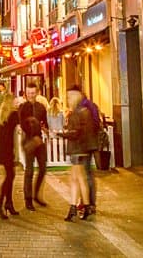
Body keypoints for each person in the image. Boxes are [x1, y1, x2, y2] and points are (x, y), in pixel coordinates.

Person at [61, 89, 98, 221]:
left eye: (68, 97)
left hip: (76, 150)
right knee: (79, 179)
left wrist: (61, 133)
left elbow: (75, 133)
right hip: (84, 149)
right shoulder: (86, 111)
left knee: (76, 180)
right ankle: (82, 207)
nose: (67, 99)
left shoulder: (75, 114)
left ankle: (75, 208)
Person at [18, 82, 49, 210]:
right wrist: (32, 136)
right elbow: (22, 125)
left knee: (42, 168)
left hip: (39, 141)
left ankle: (36, 195)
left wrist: (45, 129)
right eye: (29, 93)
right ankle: (28, 199)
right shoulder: (23, 107)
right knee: (29, 171)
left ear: (37, 93)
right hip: (28, 141)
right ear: (26, 94)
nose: (31, 95)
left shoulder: (41, 107)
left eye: (33, 93)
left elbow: (45, 122)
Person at [74, 85, 104, 217]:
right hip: (90, 143)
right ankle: (88, 202)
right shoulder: (92, 105)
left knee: (86, 175)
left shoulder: (84, 107)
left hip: (85, 144)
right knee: (87, 174)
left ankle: (89, 204)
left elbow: (90, 125)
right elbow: (97, 123)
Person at [0, 94, 21, 219]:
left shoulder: (1, 114)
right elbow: (22, 125)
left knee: (10, 175)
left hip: (2, 149)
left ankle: (9, 203)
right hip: (8, 149)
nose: (16, 103)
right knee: (10, 176)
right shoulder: (13, 115)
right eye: (15, 102)